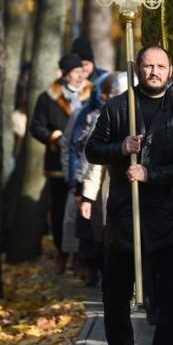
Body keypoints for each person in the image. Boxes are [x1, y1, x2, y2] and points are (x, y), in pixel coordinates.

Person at [85, 46, 173, 345]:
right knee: (114, 296)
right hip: (125, 217)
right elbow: (93, 149)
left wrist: (152, 173)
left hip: (168, 218)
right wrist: (120, 149)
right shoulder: (118, 107)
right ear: (137, 68)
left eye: (160, 66)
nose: (154, 71)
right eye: (148, 65)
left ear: (170, 71)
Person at [31, 53, 93, 275]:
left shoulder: (91, 94)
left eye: (81, 72)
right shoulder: (48, 98)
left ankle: (81, 257)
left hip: (87, 163)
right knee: (58, 212)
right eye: (75, 73)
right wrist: (54, 138)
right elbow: (36, 126)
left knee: (84, 210)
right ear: (66, 75)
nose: (80, 76)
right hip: (59, 165)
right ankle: (61, 252)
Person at [61, 70, 114, 287]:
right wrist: (75, 183)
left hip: (111, 182)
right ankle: (92, 269)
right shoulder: (87, 115)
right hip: (89, 176)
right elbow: (74, 147)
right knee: (90, 230)